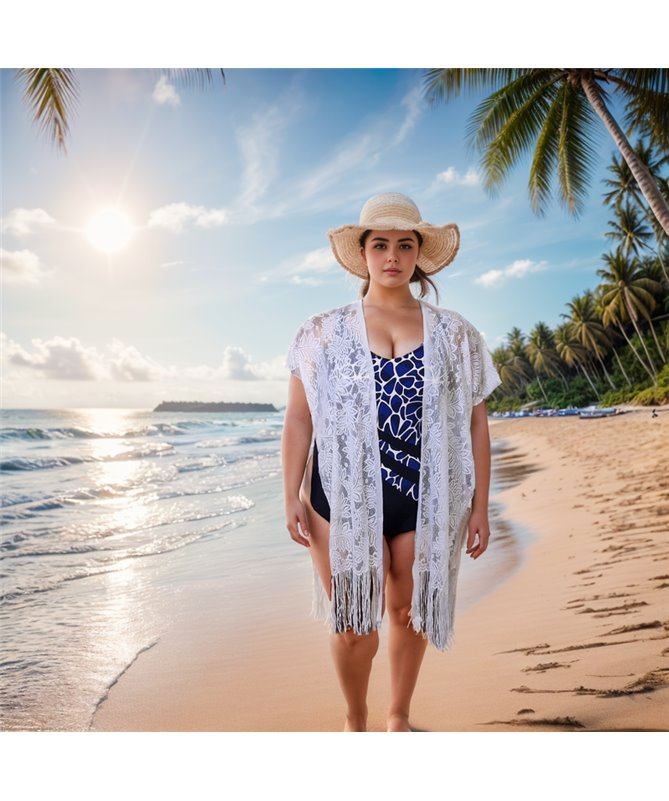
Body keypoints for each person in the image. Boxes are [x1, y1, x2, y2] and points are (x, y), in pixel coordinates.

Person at [281, 192, 502, 732]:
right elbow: (298, 420)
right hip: (341, 492)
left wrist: (481, 506)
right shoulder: (321, 332)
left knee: (408, 611)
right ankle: (355, 722)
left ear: (419, 254)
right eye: (380, 245)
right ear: (363, 252)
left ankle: (397, 716)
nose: (393, 257)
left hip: (426, 494)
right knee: (355, 621)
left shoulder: (455, 333)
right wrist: (290, 493)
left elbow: (476, 422)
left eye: (405, 245)